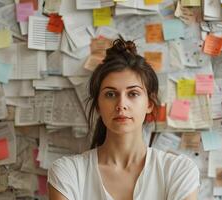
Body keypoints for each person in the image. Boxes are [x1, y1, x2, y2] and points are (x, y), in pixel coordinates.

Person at [47, 36, 200, 200]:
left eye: (133, 94)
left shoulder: (178, 170)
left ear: (149, 103)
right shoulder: (68, 172)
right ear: (98, 105)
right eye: (110, 94)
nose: (121, 104)